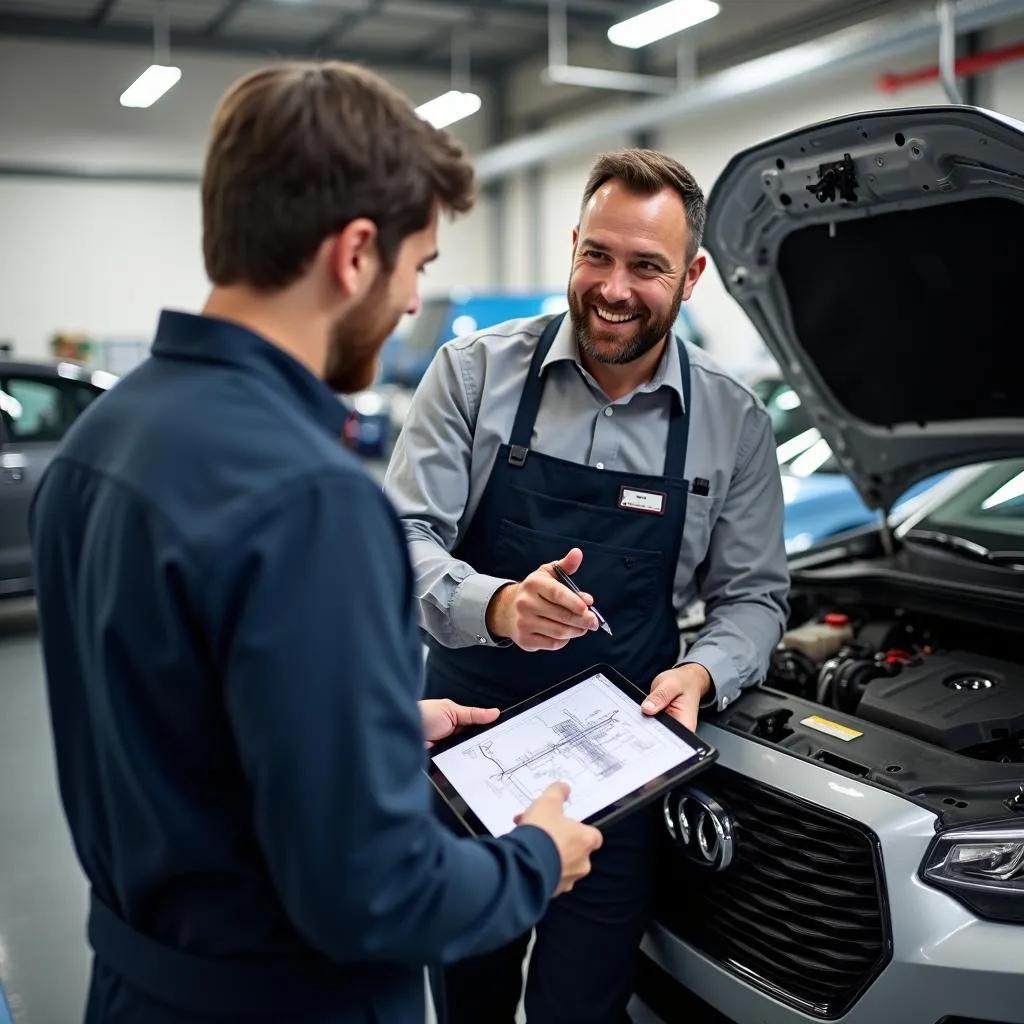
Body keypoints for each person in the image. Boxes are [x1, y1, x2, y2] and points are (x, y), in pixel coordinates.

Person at [28, 61, 603, 1024]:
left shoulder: (97, 444)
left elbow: (169, 723)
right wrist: (536, 858)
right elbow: (376, 896)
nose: (414, 301)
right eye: (417, 267)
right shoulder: (313, 501)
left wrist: (363, 731)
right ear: (355, 253)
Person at [383, 148, 791, 1023]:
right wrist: (495, 604)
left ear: (692, 278)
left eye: (647, 266)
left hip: (621, 772)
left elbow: (754, 595)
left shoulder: (733, 421)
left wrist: (707, 672)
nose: (614, 287)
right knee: (469, 999)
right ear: (572, 245)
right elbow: (402, 542)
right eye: (598, 255)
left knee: (585, 1005)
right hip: (469, 754)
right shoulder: (472, 375)